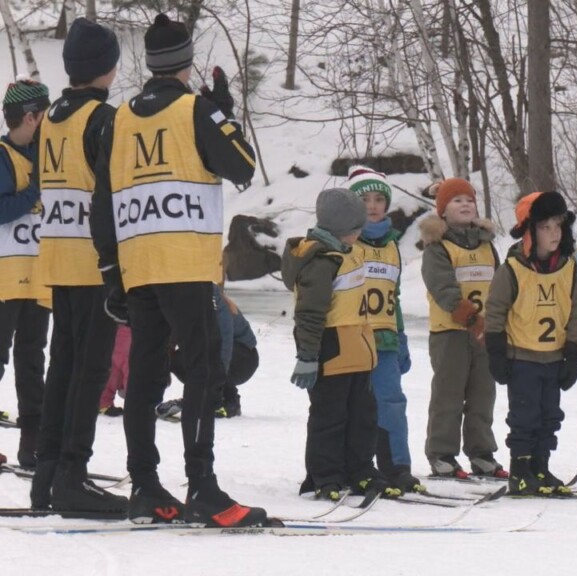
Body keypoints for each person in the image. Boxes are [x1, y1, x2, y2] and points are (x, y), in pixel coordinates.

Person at [90, 13, 266, 526]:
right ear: (187, 64)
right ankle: (203, 488)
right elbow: (242, 166)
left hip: (138, 263)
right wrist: (223, 110)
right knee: (204, 368)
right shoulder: (196, 110)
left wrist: (111, 271)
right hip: (186, 262)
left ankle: (145, 484)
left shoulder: (119, 118)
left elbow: (103, 203)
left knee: (145, 376)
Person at [31, 20, 124, 513]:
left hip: (57, 256)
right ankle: (72, 475)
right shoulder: (103, 118)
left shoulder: (50, 118)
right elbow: (110, 194)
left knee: (62, 366)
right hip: (93, 263)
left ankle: (47, 475)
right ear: (106, 69)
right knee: (89, 372)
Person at [283, 188, 399, 501]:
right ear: (340, 228)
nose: (360, 231)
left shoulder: (350, 251)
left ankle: (360, 470)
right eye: (355, 227)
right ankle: (326, 475)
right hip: (331, 347)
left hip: (359, 347)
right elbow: (309, 313)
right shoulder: (321, 261)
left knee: (362, 415)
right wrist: (308, 355)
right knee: (330, 416)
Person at [484, 191, 577, 496]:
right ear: (530, 231)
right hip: (522, 357)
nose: (554, 234)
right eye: (545, 227)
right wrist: (496, 352)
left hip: (554, 357)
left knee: (549, 415)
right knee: (524, 415)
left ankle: (541, 467)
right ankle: (520, 470)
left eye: (558, 226)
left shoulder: (569, 268)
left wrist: (574, 352)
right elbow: (495, 311)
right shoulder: (512, 270)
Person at [420, 178, 506, 479]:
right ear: (443, 210)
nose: (465, 204)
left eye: (469, 199)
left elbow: (498, 285)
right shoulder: (437, 247)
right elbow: (444, 290)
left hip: (484, 333)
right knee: (449, 395)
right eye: (456, 200)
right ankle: (442, 453)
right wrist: (472, 320)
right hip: (452, 333)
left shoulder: (486, 245)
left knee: (483, 394)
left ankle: (482, 452)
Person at [348, 166, 420, 492]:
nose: (373, 205)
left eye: (379, 199)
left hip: (386, 338)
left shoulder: (392, 245)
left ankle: (396, 466)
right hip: (354, 338)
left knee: (392, 403)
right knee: (358, 406)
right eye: (365, 199)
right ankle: (358, 466)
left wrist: (402, 337)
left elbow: (395, 294)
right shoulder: (348, 242)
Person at [0, 78, 50, 471]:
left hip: (38, 275)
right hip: (4, 277)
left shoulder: (45, 152)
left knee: (32, 358)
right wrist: (35, 190)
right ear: (31, 117)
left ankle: (32, 440)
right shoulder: (2, 155)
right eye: (44, 114)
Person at [158, 284, 259, 420]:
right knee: (179, 360)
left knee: (208, 356)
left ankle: (227, 400)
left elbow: (225, 339)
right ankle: (211, 396)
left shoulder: (210, 296)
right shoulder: (179, 298)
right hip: (216, 351)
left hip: (243, 356)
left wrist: (212, 385)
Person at [98, 324, 131, 417]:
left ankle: (103, 402)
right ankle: (135, 405)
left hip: (115, 335)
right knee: (132, 375)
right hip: (136, 335)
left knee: (111, 373)